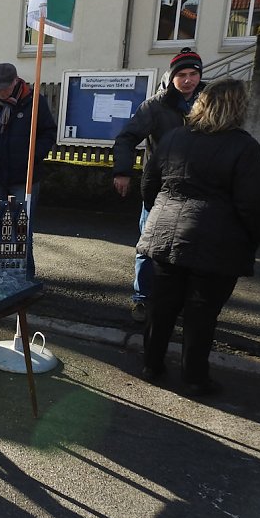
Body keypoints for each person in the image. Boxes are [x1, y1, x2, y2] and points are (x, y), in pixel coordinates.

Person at [136, 78, 260, 396]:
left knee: (162, 307)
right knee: (202, 314)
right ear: (237, 108)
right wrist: (251, 240)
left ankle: (151, 365)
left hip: (167, 236)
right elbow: (254, 204)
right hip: (217, 245)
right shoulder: (243, 146)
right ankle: (195, 377)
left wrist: (160, 215)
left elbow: (149, 185)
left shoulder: (173, 139)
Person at [113, 47, 206, 323]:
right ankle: (142, 298)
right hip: (161, 189)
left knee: (189, 249)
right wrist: (122, 172)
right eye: (182, 74)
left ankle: (179, 301)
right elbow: (127, 138)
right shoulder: (155, 106)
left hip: (198, 190)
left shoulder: (209, 101)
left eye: (193, 74)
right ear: (172, 75)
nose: (188, 80)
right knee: (148, 246)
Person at [0, 62, 56, 278]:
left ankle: (25, 278)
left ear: (15, 81)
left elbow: (48, 134)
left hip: (24, 177)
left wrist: (32, 157)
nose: (0, 91)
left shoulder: (35, 102)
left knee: (21, 230)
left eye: (4, 86)